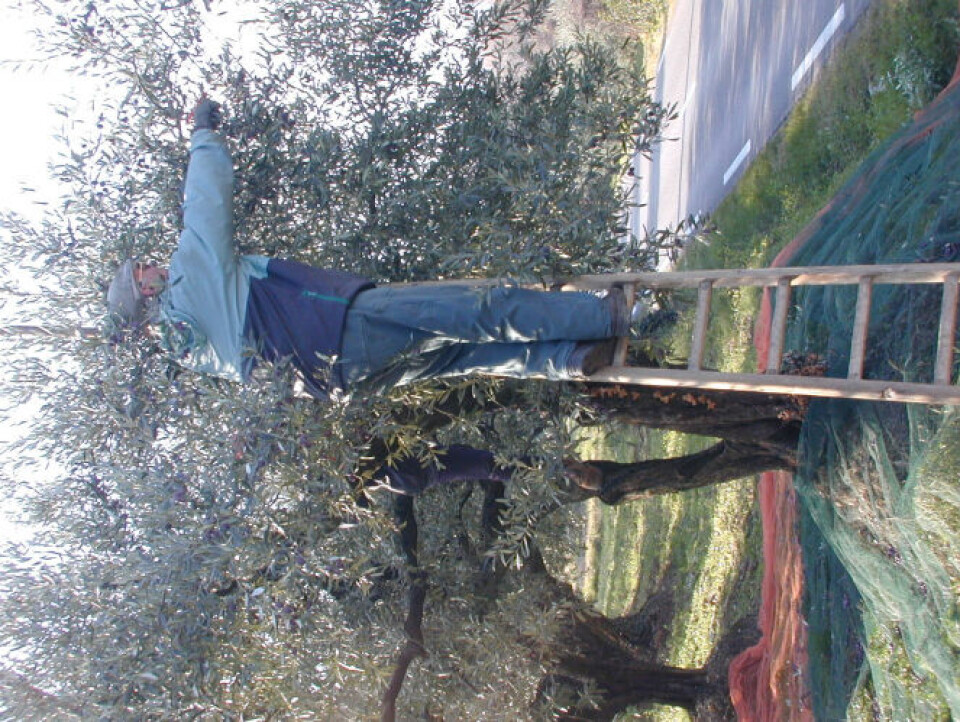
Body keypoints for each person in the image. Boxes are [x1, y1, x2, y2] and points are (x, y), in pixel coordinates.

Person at [107, 99, 631, 400]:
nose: (153, 265)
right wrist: (203, 134)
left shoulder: (189, 349)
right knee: (473, 309)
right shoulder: (188, 280)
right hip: (338, 327)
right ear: (148, 289)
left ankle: (570, 357)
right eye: (144, 271)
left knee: (464, 355)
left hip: (341, 382)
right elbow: (204, 206)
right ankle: (606, 316)